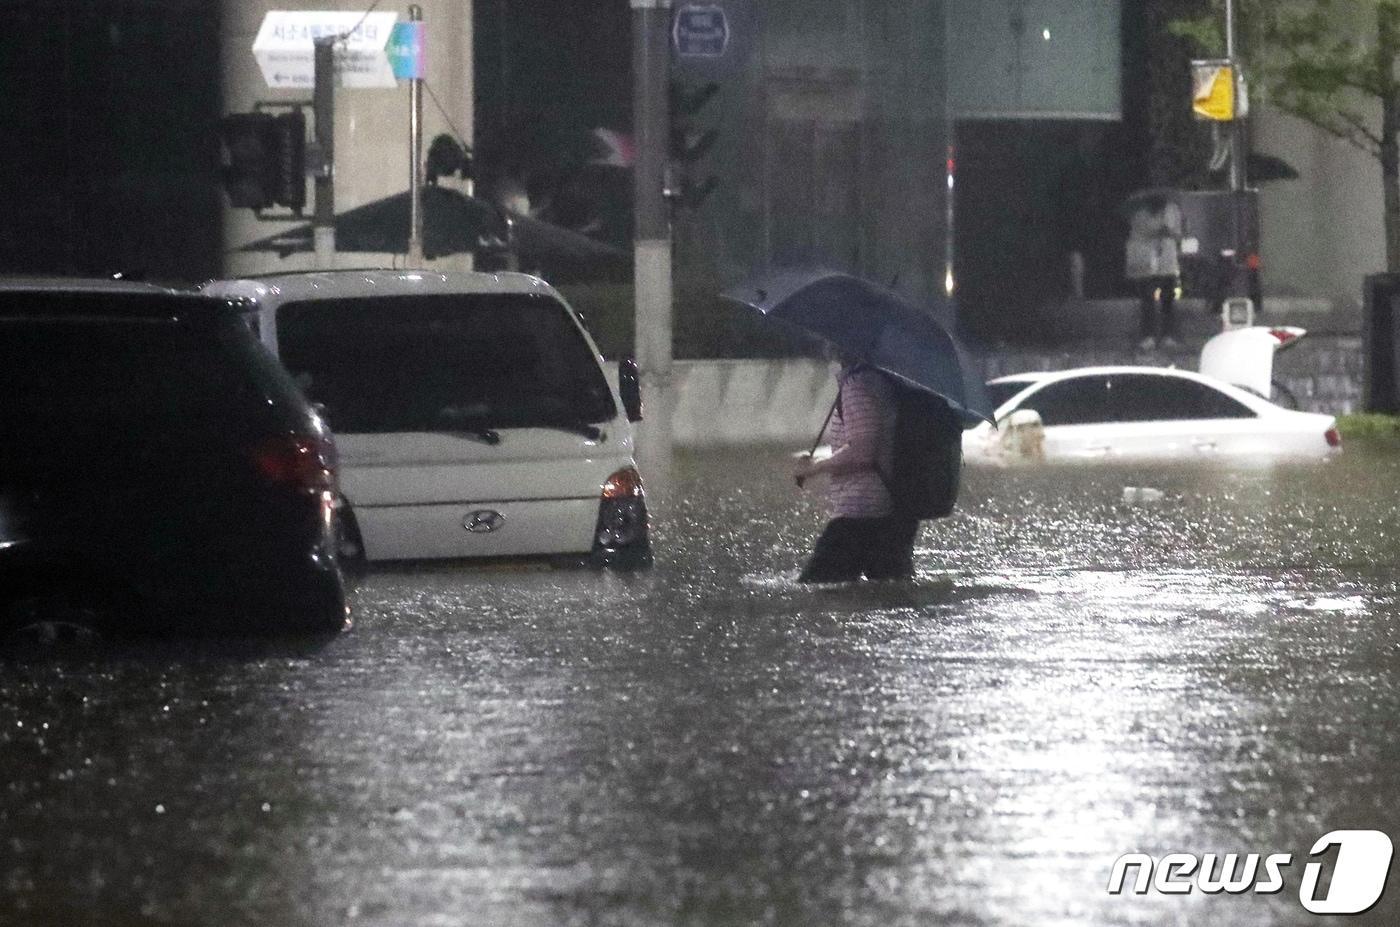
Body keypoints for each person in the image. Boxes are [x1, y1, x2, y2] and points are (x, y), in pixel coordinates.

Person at [792, 350, 919, 582]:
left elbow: (862, 450)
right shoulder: (884, 381)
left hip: (861, 512)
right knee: (890, 593)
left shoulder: (857, 385)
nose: (824, 344)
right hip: (894, 510)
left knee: (814, 590)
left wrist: (815, 467)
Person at [1124, 193, 1184, 349]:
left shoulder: (1172, 209)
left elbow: (1177, 232)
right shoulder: (1139, 210)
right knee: (1147, 302)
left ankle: (1168, 336)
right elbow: (1142, 229)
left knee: (1168, 301)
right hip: (1145, 262)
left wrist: (1169, 232)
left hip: (1167, 261)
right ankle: (1148, 336)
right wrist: (1160, 230)